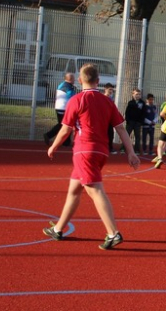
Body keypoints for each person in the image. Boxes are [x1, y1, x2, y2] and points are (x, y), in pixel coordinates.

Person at [43, 63, 140, 250]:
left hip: (84, 151)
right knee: (74, 190)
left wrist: (53, 145)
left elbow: (66, 129)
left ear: (80, 80)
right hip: (101, 151)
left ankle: (113, 233)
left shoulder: (77, 100)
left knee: (95, 190)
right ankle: (58, 229)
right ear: (98, 81)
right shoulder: (107, 101)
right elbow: (120, 128)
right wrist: (131, 152)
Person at [44, 72, 76, 147]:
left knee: (63, 124)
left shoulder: (61, 84)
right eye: (73, 78)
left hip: (58, 107)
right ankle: (49, 135)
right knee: (66, 124)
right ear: (70, 79)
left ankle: (65, 142)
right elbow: (71, 96)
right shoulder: (69, 86)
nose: (74, 80)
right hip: (64, 108)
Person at [124, 88, 145, 155]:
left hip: (138, 123)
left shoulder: (142, 103)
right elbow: (127, 112)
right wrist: (127, 120)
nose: (137, 95)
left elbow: (143, 113)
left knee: (137, 136)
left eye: (139, 94)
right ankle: (123, 148)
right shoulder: (130, 103)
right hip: (130, 122)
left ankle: (137, 150)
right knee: (126, 135)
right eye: (136, 94)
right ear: (133, 95)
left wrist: (141, 121)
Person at [103, 83, 116, 153]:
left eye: (112, 90)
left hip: (109, 119)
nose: (111, 91)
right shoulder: (102, 98)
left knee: (111, 134)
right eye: (109, 89)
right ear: (105, 89)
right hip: (103, 120)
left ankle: (110, 148)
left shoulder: (111, 99)